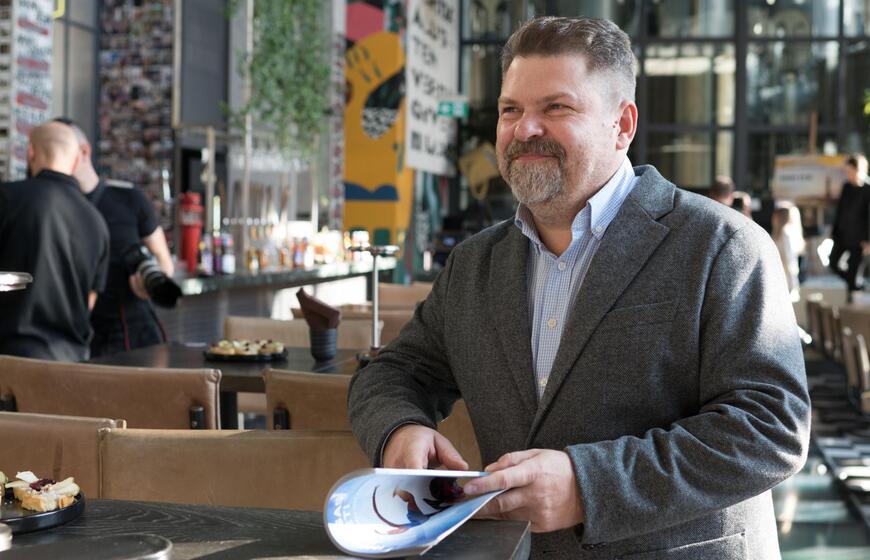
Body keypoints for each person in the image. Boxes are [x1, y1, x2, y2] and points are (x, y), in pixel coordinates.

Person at [348, 16, 809, 558]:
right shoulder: (475, 264)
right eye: (510, 110)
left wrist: (590, 486)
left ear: (622, 125)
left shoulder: (723, 245)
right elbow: (392, 373)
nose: (525, 129)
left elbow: (770, 426)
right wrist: (400, 430)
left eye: (556, 108)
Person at [55, 118, 174, 357]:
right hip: (72, 335)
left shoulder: (129, 199)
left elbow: (163, 259)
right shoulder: (50, 205)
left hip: (134, 332)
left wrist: (148, 286)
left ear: (84, 152)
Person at [0, 122, 109, 361]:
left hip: (10, 361)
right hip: (70, 364)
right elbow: (88, 302)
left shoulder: (7, 198)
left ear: (31, 152)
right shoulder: (96, 222)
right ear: (76, 161)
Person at [829, 154, 870, 292]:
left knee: (854, 273)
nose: (849, 175)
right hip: (842, 236)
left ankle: (855, 287)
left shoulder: (867, 189)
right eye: (848, 171)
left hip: (859, 241)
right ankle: (856, 284)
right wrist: (834, 231)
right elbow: (840, 211)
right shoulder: (846, 187)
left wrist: (868, 240)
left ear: (860, 170)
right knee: (833, 263)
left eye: (852, 171)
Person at [772, 203, 805, 302]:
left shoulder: (786, 234)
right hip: (780, 278)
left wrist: (793, 284)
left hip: (784, 281)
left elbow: (789, 260)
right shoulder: (780, 233)